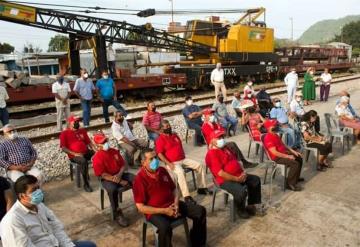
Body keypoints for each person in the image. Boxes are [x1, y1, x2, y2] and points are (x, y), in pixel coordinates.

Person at [132, 148, 207, 247]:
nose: (155, 160)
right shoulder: (139, 179)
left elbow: (174, 189)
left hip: (171, 204)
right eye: (151, 159)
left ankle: (197, 242)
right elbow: (141, 208)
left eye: (156, 157)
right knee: (165, 227)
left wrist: (176, 203)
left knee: (200, 211)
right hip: (155, 211)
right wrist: (165, 211)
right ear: (143, 162)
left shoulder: (162, 171)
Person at [0, 175, 97, 247]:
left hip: (55, 243)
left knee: (90, 245)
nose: (39, 192)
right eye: (34, 190)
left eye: (38, 188)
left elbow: (56, 228)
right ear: (22, 195)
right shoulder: (12, 221)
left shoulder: (40, 206)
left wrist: (69, 245)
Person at [205, 130, 262, 219]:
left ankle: (251, 205)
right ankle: (240, 208)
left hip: (238, 175)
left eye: (222, 137)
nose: (221, 139)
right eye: (218, 138)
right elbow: (220, 173)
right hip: (224, 180)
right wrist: (237, 179)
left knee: (255, 180)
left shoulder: (225, 148)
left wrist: (243, 172)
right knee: (241, 191)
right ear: (212, 140)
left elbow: (236, 161)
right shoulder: (212, 153)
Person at [155, 120, 211, 203]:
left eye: (169, 125)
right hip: (172, 163)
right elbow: (159, 154)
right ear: (161, 129)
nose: (168, 127)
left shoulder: (174, 135)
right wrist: (168, 163)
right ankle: (187, 196)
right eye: (166, 127)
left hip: (183, 159)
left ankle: (202, 188)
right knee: (181, 172)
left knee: (199, 165)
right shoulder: (160, 139)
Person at [92, 132, 135, 227]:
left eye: (105, 141)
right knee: (112, 189)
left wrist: (119, 175)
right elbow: (103, 175)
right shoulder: (97, 158)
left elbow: (123, 165)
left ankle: (141, 202)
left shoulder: (114, 151)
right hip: (108, 178)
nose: (105, 144)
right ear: (97, 145)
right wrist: (119, 181)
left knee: (135, 178)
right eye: (102, 143)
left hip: (119, 174)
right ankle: (117, 212)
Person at [262, 119, 303, 191]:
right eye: (273, 125)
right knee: (294, 163)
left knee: (299, 157)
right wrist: (288, 156)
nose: (275, 126)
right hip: (277, 157)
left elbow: (284, 145)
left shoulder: (275, 134)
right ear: (268, 127)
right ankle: (290, 184)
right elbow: (274, 152)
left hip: (283, 153)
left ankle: (295, 178)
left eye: (275, 125)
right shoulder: (268, 138)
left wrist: (293, 151)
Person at [60, 115, 95, 192]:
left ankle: (104, 176)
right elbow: (63, 148)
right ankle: (86, 184)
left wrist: (96, 150)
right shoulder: (64, 133)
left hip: (85, 152)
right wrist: (75, 154)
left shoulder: (82, 130)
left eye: (78, 121)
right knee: (83, 161)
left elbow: (89, 143)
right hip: (74, 155)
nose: (77, 123)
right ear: (70, 123)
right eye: (75, 121)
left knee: (98, 155)